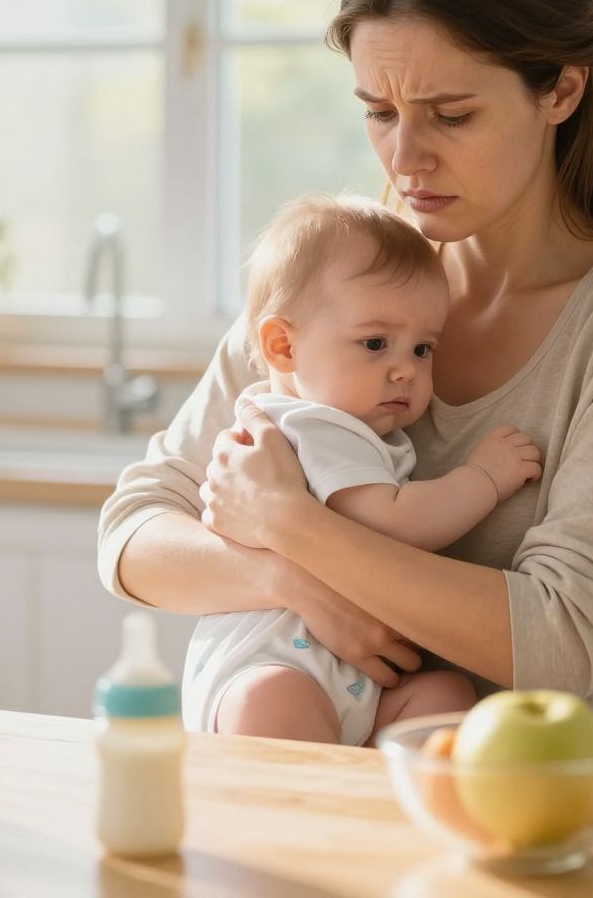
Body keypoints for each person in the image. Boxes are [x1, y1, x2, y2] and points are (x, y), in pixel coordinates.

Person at [98, 0, 593, 763]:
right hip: (304, 819)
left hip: (542, 827)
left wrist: (298, 526)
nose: (405, 157)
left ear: (562, 89)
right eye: (379, 111)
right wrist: (287, 578)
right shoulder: (343, 274)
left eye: (451, 113)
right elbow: (133, 532)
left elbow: (563, 636)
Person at [184, 193, 541, 746]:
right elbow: (392, 522)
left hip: (350, 679)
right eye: (375, 344)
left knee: (446, 697)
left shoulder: (348, 424)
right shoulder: (313, 425)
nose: (405, 370)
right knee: (277, 705)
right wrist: (485, 478)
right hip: (274, 666)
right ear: (283, 347)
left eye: (423, 349)